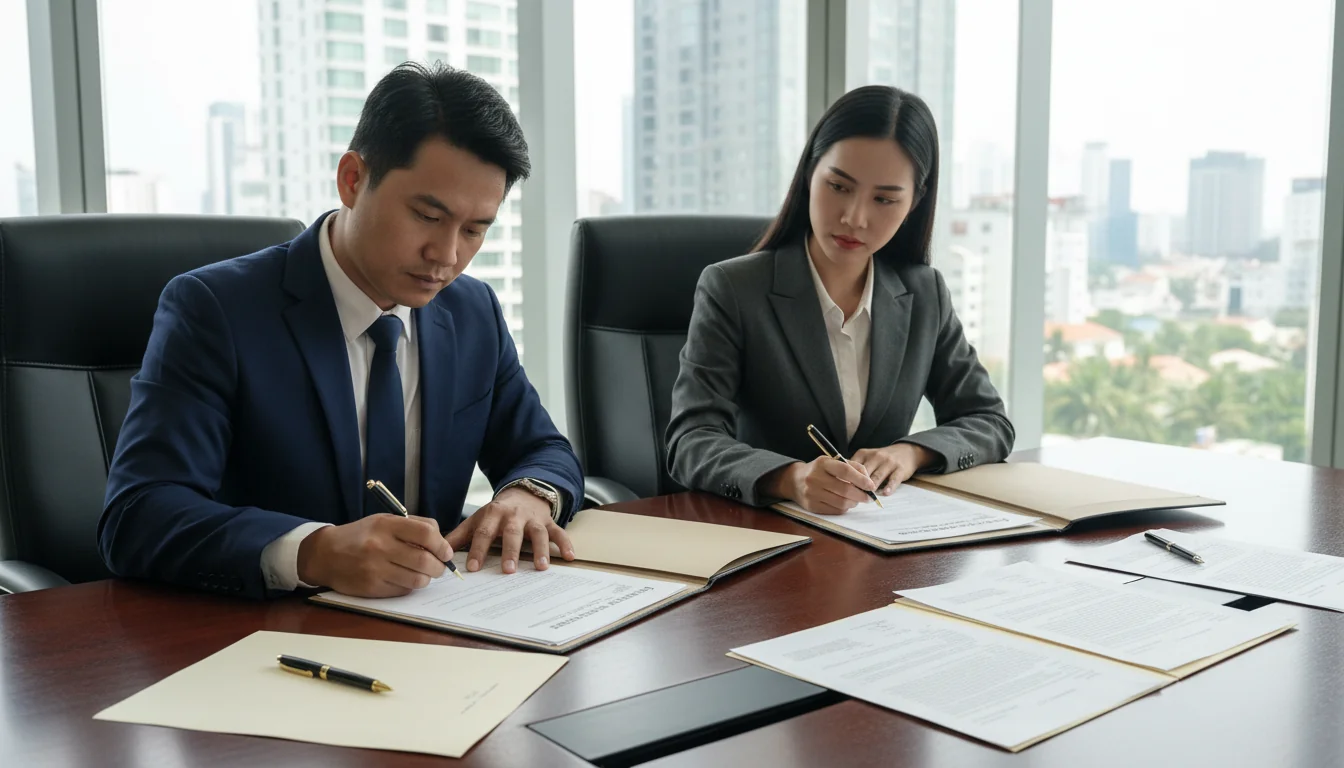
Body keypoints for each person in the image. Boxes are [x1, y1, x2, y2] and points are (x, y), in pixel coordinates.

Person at [99, 63, 583, 599]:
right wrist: (313, 551)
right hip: (263, 637)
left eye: (474, 230)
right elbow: (139, 513)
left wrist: (528, 495)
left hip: (438, 626)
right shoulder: (215, 310)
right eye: (427, 216)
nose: (446, 256)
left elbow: (543, 448)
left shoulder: (471, 312)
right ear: (353, 179)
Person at [666, 85, 1014, 516]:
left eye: (885, 199)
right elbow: (690, 441)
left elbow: (990, 422)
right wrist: (790, 478)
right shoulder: (733, 289)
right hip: (768, 539)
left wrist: (910, 453)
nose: (855, 218)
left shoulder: (924, 293)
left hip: (880, 541)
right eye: (839, 186)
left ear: (914, 203)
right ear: (810, 173)